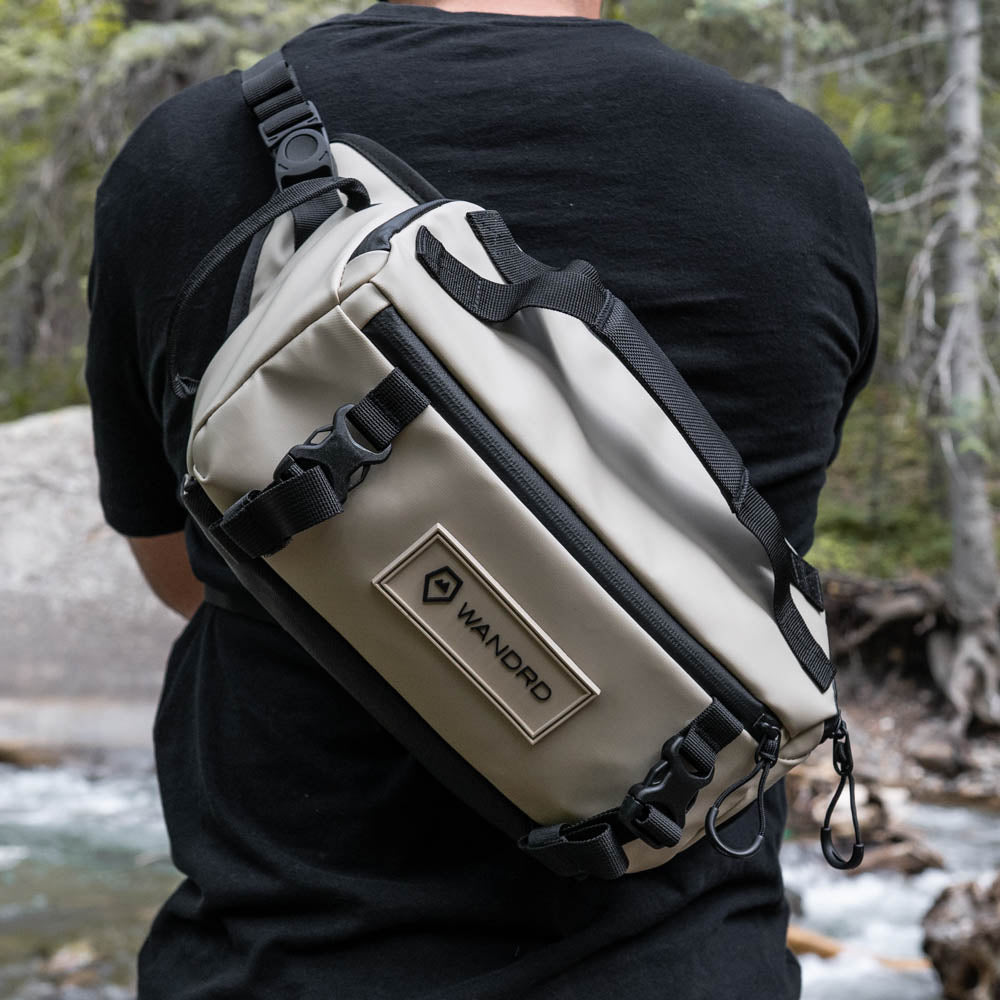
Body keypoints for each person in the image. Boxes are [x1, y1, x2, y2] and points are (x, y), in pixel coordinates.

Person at [86, 1, 878, 996]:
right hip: (688, 964)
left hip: (277, 963)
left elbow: (179, 571)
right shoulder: (795, 174)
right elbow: (765, 535)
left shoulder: (200, 154)